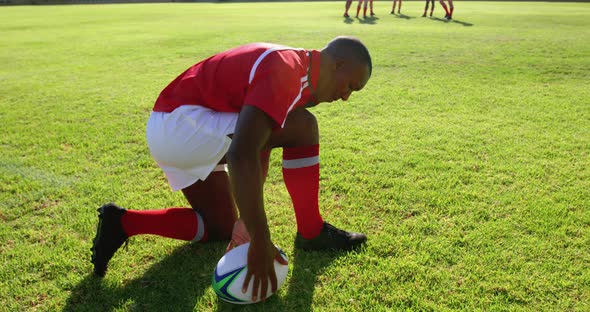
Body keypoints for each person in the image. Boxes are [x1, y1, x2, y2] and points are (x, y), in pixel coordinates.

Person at [91, 36, 371, 302]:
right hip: (182, 124)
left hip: (171, 127)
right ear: (338, 65)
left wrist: (243, 222)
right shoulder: (286, 69)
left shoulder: (296, 70)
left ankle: (124, 222)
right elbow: (242, 153)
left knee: (219, 225)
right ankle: (311, 232)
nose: (346, 96)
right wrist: (260, 239)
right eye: (351, 86)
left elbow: (257, 142)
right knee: (304, 126)